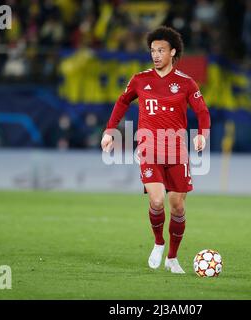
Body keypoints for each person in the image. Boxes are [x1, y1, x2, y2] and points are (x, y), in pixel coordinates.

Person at [101, 26, 211, 274]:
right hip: (149, 148)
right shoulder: (140, 79)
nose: (156, 54)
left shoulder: (185, 83)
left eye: (161, 50)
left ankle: (172, 258)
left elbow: (202, 112)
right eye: (153, 50)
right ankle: (159, 242)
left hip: (177, 151)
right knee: (157, 199)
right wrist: (109, 130)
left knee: (178, 207)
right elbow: (122, 102)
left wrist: (203, 135)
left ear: (172, 52)